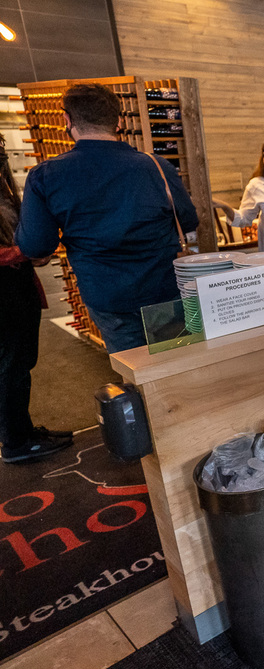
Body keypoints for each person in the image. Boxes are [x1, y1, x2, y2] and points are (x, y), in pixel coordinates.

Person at [16, 84, 199, 353]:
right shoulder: (156, 166)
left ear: (67, 119)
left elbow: (35, 245)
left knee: (133, 368)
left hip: (106, 294)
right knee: (180, 361)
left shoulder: (45, 175)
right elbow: (189, 221)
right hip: (163, 288)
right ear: (119, 121)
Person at [1, 136, 73, 463]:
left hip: (18, 282)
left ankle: (23, 432)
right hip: (5, 288)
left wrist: (30, 249)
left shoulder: (4, 187)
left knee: (20, 361)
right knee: (11, 364)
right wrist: (22, 252)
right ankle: (16, 442)